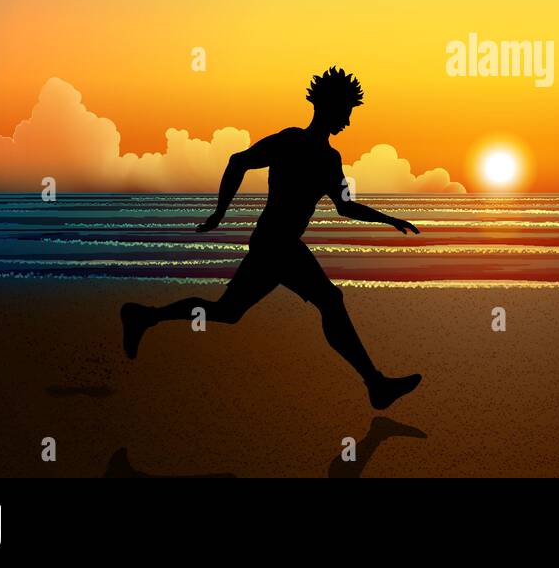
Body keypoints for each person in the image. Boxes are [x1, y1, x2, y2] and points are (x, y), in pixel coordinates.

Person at [121, 67, 422, 410]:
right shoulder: (291, 141)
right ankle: (375, 384)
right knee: (330, 301)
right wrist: (220, 214)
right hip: (277, 244)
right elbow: (238, 162)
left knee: (228, 311)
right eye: (346, 112)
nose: (347, 121)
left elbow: (345, 206)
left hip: (275, 244)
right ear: (327, 106)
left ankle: (145, 316)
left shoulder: (330, 159)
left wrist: (389, 219)